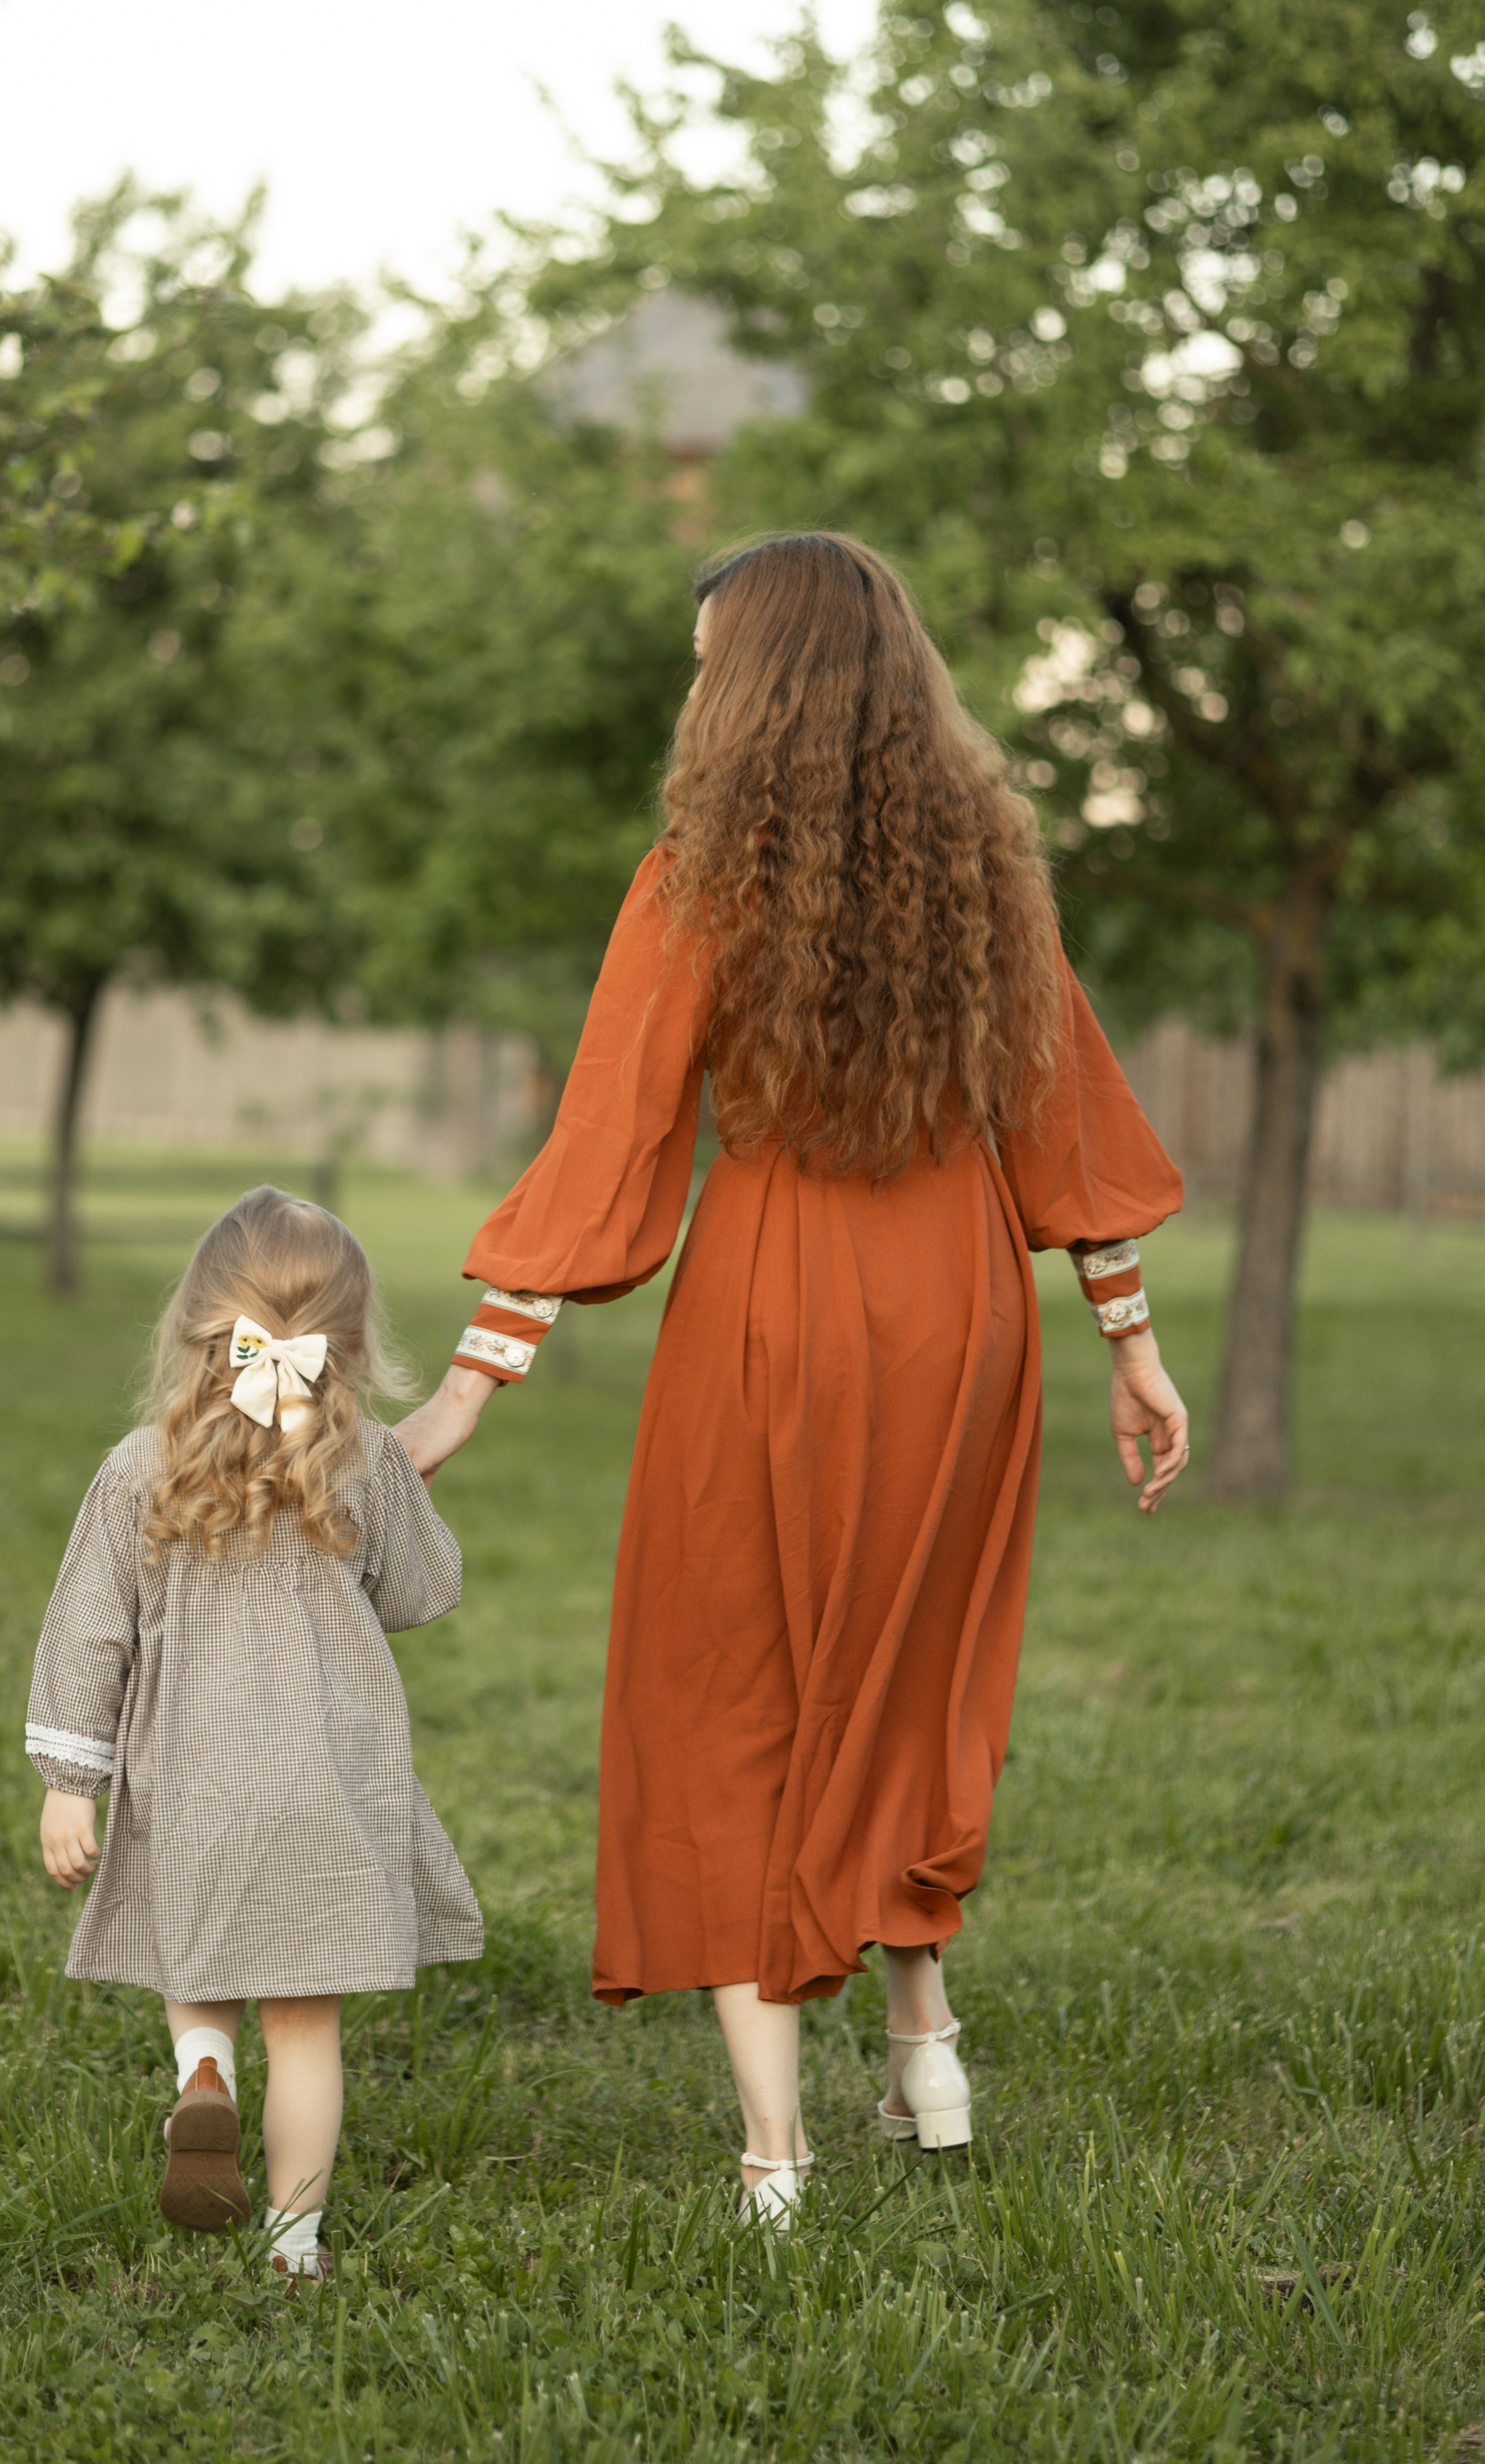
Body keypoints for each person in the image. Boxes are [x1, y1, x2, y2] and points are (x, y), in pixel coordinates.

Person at [397, 531, 1188, 2227]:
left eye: (705, 664)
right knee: (898, 1667)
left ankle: (775, 2163)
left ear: (751, 687)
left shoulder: (701, 873)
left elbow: (609, 1141)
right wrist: (1127, 1343)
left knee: (733, 1685)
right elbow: (1062, 1122)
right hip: (963, 1318)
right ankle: (926, 2047)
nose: (692, 692)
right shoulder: (988, 865)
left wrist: (472, 1383)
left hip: (776, 1312)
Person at [26, 1187, 483, 2283]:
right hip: (325, 1790)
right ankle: (294, 2246)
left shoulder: (142, 1467)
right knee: (307, 2030)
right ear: (350, 1341)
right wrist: (407, 1480)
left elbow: (89, 1633)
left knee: (200, 1954)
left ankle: (202, 2072)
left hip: (190, 1780)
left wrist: (67, 1781)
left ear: (199, 1321)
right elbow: (422, 1592)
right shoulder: (364, 1464)